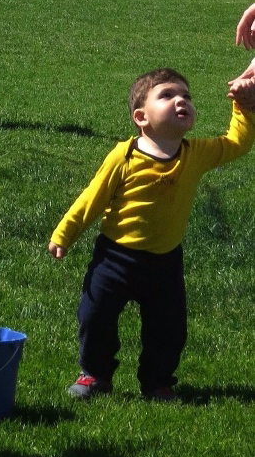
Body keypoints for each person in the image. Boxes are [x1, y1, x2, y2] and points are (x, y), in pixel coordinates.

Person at [48, 67, 255, 401]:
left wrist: (243, 107)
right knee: (95, 316)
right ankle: (95, 374)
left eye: (186, 96)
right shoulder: (124, 155)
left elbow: (237, 143)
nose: (181, 100)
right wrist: (64, 234)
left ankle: (157, 381)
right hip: (114, 258)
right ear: (141, 117)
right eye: (168, 95)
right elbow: (92, 197)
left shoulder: (195, 154)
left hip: (165, 263)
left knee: (169, 329)